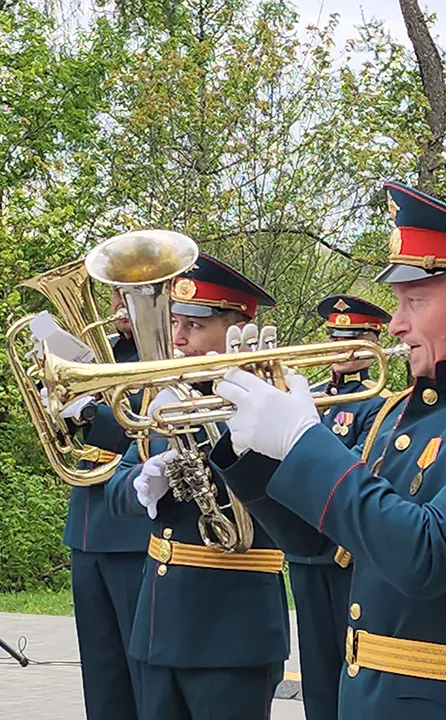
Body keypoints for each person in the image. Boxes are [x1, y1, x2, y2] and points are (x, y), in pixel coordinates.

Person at [209, 181, 446, 720]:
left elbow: (426, 555)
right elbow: (320, 545)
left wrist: (303, 441)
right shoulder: (406, 410)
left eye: (415, 300)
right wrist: (255, 451)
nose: (396, 324)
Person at [103, 252, 291, 720]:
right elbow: (113, 494)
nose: (178, 338)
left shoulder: (275, 403)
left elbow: (288, 507)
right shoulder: (166, 397)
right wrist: (143, 484)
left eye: (194, 325)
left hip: (232, 628)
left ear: (236, 332)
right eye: (175, 322)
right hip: (158, 625)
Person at [286, 294, 392, 720]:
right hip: (303, 547)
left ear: (373, 343)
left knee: (353, 663)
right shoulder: (306, 396)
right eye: (334, 338)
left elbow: (356, 466)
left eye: (353, 339)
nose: (341, 348)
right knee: (316, 669)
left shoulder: (379, 402)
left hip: (345, 552)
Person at [53, 287, 149, 720]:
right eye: (115, 293)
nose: (119, 304)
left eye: (132, 293)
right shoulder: (99, 352)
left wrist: (92, 412)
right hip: (87, 526)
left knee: (141, 672)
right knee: (101, 672)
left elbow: (145, 426)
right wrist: (57, 402)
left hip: (133, 529)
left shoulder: (165, 356)